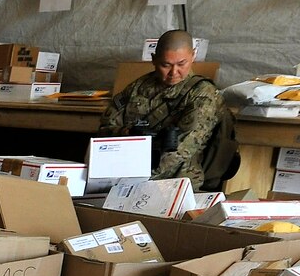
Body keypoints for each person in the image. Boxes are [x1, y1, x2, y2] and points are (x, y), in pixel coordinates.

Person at [99, 29, 232, 188]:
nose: (173, 72)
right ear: (154, 60)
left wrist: (139, 180)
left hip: (175, 182)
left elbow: (182, 150)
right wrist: (128, 133)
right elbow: (105, 129)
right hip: (125, 174)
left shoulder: (202, 94)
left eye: (181, 64)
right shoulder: (139, 87)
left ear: (193, 55)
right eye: (165, 65)